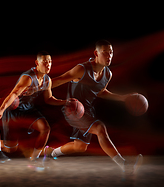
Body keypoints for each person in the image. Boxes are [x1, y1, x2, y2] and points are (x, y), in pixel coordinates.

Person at [44, 40, 143, 174]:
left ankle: (50, 152)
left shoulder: (107, 74)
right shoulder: (82, 69)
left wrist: (123, 97)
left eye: (111, 53)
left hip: (88, 111)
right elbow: (59, 80)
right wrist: (38, 87)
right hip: (73, 110)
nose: (109, 56)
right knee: (100, 128)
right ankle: (124, 165)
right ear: (96, 53)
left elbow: (100, 92)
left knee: (80, 147)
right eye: (105, 53)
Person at [0, 51, 67, 162]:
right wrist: (2, 109)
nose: (48, 64)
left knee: (45, 129)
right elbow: (14, 94)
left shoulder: (47, 80)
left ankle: (34, 159)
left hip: (28, 108)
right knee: (11, 148)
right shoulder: (28, 77)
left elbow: (49, 99)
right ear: (37, 63)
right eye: (45, 62)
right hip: (14, 110)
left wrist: (65, 102)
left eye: (50, 62)